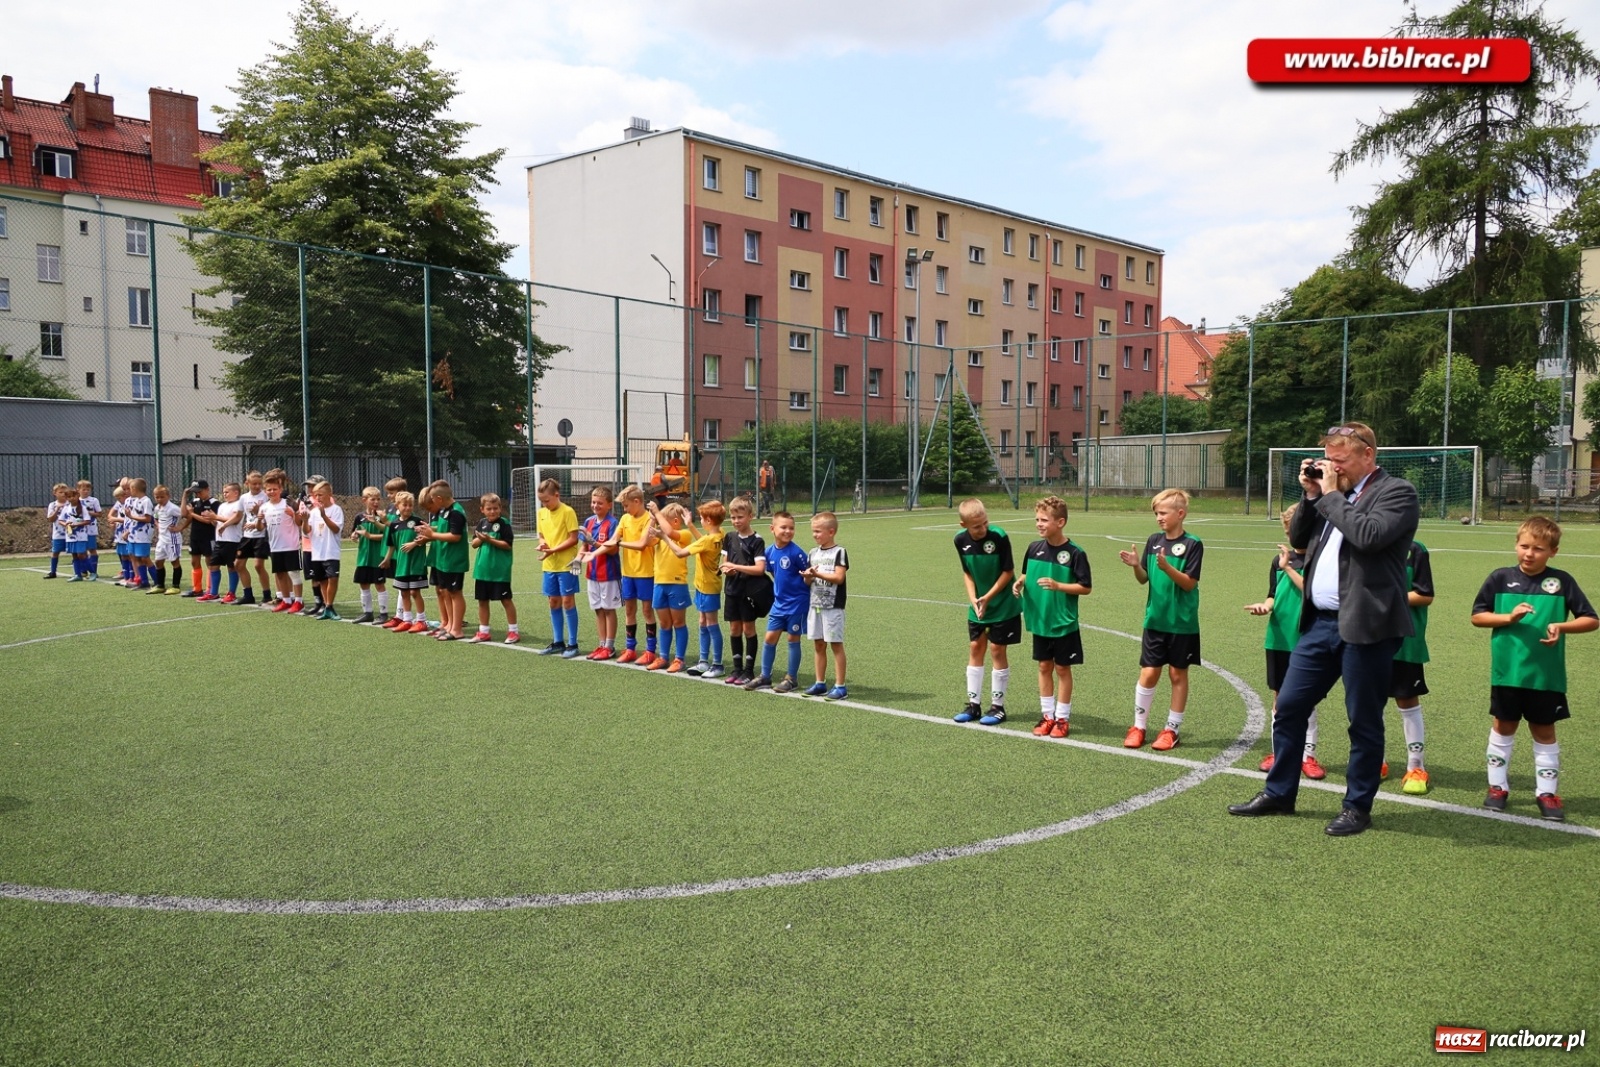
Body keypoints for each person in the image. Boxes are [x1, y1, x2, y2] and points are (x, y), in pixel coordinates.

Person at [1229, 422, 1419, 837]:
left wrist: (1330, 495)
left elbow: (1368, 536)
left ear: (1368, 455)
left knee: (1363, 720)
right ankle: (1280, 792)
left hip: (1366, 625)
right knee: (1290, 706)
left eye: (1340, 460)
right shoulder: (1333, 495)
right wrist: (1311, 494)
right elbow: (1298, 541)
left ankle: (1357, 806)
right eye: (1328, 460)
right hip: (1319, 623)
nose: (1332, 467)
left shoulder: (1397, 492)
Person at [1470, 516, 1597, 822]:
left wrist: (1562, 626)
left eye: (1538, 548)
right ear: (1516, 545)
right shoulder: (1499, 578)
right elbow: (1477, 616)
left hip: (1546, 676)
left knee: (1544, 730)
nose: (1529, 553)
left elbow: (1591, 619)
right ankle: (1497, 788)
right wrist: (1508, 618)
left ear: (1553, 551)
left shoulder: (1562, 582)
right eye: (1524, 546)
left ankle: (1547, 793)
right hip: (1508, 673)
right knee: (1504, 726)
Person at [1118, 488, 1202, 751]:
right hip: (1154, 621)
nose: (1158, 517)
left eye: (1163, 512)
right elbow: (1145, 579)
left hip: (1182, 623)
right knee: (1149, 672)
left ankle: (1171, 730)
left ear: (1180, 513)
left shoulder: (1193, 544)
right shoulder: (1154, 540)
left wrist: (1168, 568)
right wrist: (1136, 565)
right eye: (1156, 513)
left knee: (1177, 674)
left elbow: (1189, 584)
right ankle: (1139, 726)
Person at [1243, 508, 1324, 779]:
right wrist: (1264, 607)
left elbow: (1311, 592)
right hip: (1278, 639)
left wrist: (1287, 566)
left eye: (1298, 529)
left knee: (1307, 700)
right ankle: (1279, 751)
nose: (1293, 535)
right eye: (1289, 530)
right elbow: (1272, 596)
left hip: (1307, 639)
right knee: (1280, 698)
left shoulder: (1318, 559)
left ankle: (1308, 755)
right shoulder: (1277, 561)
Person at [1015, 496, 1092, 739]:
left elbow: (1085, 587)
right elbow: (1027, 573)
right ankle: (1047, 715)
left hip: (1063, 622)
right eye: (1037, 519)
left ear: (1060, 522)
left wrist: (1059, 585)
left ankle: (1062, 719)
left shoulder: (1075, 553)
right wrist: (1020, 582)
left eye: (1044, 520)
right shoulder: (1033, 548)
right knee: (1043, 666)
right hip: (1040, 620)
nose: (1039, 524)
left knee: (1062, 668)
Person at [953, 498, 1019, 726]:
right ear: (964, 526)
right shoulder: (960, 540)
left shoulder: (998, 536)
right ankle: (973, 705)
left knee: (997, 650)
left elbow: (1008, 572)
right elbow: (967, 573)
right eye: (977, 526)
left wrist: (988, 597)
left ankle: (997, 707)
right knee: (975, 646)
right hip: (979, 605)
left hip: (1002, 605)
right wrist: (973, 599)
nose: (983, 529)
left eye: (985, 523)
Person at [1387, 539, 1435, 795]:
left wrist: (1386, 599)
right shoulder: (1359, 543)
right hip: (1366, 638)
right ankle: (1376, 761)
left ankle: (1415, 766)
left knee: (1407, 699)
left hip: (1405, 640)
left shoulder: (1415, 549)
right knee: (1369, 701)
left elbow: (1425, 595)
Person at [745, 510, 810, 693]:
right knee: (770, 638)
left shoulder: (797, 553)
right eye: (783, 527)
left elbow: (808, 574)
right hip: (779, 604)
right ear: (772, 529)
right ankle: (765, 676)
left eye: (791, 528)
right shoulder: (769, 553)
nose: (788, 531)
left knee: (792, 638)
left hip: (797, 604)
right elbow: (772, 573)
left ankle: (791, 678)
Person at [719, 496, 770, 686]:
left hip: (748, 593)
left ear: (750, 516)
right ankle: (737, 669)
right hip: (732, 590)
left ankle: (749, 671)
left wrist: (736, 567)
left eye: (740, 517)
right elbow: (724, 564)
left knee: (748, 629)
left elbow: (759, 569)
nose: (736, 521)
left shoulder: (757, 541)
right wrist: (727, 569)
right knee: (734, 629)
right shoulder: (729, 538)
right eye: (732, 517)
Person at [800, 511, 849, 701]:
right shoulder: (813, 553)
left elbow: (838, 577)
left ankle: (840, 686)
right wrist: (807, 576)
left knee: (835, 644)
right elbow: (808, 583)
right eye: (813, 532)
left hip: (833, 606)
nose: (815, 535)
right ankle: (820, 683)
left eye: (818, 531)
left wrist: (818, 575)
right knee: (818, 644)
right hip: (815, 605)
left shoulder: (839, 552)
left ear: (831, 531)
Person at [535, 477, 582, 657]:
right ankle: (557, 642)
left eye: (547, 500)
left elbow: (573, 538)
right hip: (549, 565)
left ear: (557, 495)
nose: (544, 504)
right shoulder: (541, 513)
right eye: (542, 501)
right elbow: (541, 535)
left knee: (568, 601)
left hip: (567, 564)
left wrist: (553, 549)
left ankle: (572, 643)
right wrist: (543, 544)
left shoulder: (568, 511)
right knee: (553, 601)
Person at [611, 485, 659, 664]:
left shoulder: (650, 519)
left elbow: (641, 544)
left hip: (646, 573)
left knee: (647, 611)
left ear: (637, 502)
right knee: (629, 610)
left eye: (626, 505)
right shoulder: (624, 519)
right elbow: (613, 540)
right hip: (628, 573)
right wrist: (593, 547)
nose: (625, 510)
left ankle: (650, 650)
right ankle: (630, 648)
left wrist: (620, 543)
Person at [644, 499, 693, 672]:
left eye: (664, 520)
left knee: (678, 622)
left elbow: (670, 533)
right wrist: (652, 519)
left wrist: (657, 512)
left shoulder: (684, 535)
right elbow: (646, 542)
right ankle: (663, 657)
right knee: (664, 624)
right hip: (659, 584)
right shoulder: (660, 537)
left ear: (675, 521)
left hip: (677, 584)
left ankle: (679, 659)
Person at [683, 499, 728, 678]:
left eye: (701, 518)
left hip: (708, 587)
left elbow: (681, 552)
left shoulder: (710, 540)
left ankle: (717, 664)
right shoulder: (719, 533)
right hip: (704, 585)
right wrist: (689, 525)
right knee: (703, 621)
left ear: (708, 520)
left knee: (711, 623)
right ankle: (703, 661)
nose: (699, 521)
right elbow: (703, 541)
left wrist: (663, 537)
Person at [420, 480, 469, 639]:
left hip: (454, 560)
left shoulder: (456, 512)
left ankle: (457, 630)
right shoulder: (444, 511)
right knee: (447, 591)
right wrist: (427, 530)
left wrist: (432, 535)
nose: (432, 502)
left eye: (433, 499)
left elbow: (455, 536)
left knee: (455, 593)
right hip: (443, 559)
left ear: (439, 498)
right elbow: (442, 529)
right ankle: (449, 625)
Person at [577, 485, 621, 660]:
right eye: (593, 502)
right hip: (592, 574)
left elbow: (612, 550)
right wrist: (577, 560)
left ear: (609, 505)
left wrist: (593, 542)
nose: (596, 505)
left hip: (609, 574)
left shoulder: (613, 523)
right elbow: (584, 546)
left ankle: (610, 646)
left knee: (609, 609)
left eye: (600, 503)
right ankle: (601, 644)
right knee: (598, 609)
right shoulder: (588, 522)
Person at [469, 492, 519, 643]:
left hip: (499, 572)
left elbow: (507, 545)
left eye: (495, 508)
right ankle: (484, 631)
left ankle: (513, 631)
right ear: (482, 509)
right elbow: (474, 544)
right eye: (489, 509)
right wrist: (481, 538)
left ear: (500, 508)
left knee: (506, 600)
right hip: (483, 571)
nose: (492, 511)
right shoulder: (482, 523)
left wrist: (490, 540)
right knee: (482, 601)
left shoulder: (504, 524)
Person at [382, 491, 432, 633]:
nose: (408, 508)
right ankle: (407, 620)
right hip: (401, 565)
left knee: (415, 592)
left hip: (415, 564)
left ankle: (421, 620)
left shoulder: (417, 521)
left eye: (410, 505)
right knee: (404, 592)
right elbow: (392, 546)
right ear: (397, 505)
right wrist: (386, 559)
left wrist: (414, 544)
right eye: (405, 505)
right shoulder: (394, 525)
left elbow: (426, 536)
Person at [260, 473, 305, 613]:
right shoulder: (264, 507)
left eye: (274, 489)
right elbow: (260, 527)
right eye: (269, 490)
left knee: (294, 573)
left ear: (280, 490)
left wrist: (293, 514)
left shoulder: (287, 504)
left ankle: (298, 601)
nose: (272, 492)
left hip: (291, 545)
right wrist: (258, 519)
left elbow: (299, 523)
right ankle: (286, 600)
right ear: (265, 491)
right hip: (275, 546)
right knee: (280, 574)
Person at [302, 480, 344, 620]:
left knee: (332, 578)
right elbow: (307, 531)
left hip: (331, 551)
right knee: (322, 580)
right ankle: (327, 607)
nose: (318, 498)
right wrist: (304, 521)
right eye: (315, 495)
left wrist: (324, 516)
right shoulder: (313, 513)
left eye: (321, 495)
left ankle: (330, 606)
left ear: (329, 494)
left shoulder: (336, 510)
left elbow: (336, 529)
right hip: (317, 552)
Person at [349, 487, 391, 625]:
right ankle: (367, 613)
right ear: (364, 500)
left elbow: (387, 536)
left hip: (377, 557)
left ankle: (384, 614)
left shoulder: (382, 517)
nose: (376, 502)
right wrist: (354, 536)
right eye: (372, 499)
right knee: (364, 584)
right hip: (363, 558)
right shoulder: (359, 517)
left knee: (379, 584)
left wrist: (369, 536)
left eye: (378, 499)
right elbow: (355, 532)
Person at [235, 470, 269, 606]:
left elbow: (267, 517)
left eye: (259, 484)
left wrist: (257, 513)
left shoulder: (266, 497)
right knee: (238, 565)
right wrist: (223, 523)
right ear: (247, 483)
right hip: (247, 536)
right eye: (254, 484)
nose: (257, 486)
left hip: (261, 535)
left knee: (258, 565)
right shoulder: (243, 498)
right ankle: (248, 595)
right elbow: (238, 516)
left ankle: (267, 595)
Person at [205, 482, 244, 603]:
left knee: (231, 567)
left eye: (227, 492)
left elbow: (234, 520)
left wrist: (215, 517)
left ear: (236, 493)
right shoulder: (222, 506)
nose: (224, 494)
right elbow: (218, 522)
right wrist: (211, 519)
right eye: (224, 492)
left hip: (232, 541)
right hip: (220, 540)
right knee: (213, 566)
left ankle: (231, 593)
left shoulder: (238, 505)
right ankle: (213, 593)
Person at [181, 482, 219, 598]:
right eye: (196, 492)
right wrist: (184, 496)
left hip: (208, 536)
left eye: (200, 491)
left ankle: (210, 589)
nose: (198, 494)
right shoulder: (195, 502)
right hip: (195, 536)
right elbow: (183, 513)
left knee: (210, 562)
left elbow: (209, 520)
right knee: (194, 561)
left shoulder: (214, 503)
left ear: (207, 489)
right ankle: (197, 589)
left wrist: (192, 514)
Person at [148, 485, 185, 594]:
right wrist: (158, 525)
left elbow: (187, 515)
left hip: (172, 539)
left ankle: (176, 586)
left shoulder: (173, 508)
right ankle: (160, 585)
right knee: (158, 561)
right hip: (162, 539)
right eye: (157, 497)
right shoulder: (157, 508)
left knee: (174, 561)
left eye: (162, 497)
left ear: (168, 496)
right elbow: (155, 518)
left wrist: (180, 527)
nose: (159, 499)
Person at [76, 480, 103, 579]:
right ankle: (83, 570)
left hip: (90, 529)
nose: (86, 491)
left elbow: (99, 514)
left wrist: (89, 513)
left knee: (92, 549)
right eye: (83, 489)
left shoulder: (94, 500)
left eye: (88, 489)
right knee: (81, 551)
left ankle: (94, 570)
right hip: (79, 530)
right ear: (78, 490)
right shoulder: (75, 501)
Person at [44, 484, 70, 579]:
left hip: (71, 533)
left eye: (65, 492)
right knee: (55, 552)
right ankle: (53, 571)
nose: (63, 494)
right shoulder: (53, 505)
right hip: (58, 534)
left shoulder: (71, 504)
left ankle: (81, 570)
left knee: (76, 552)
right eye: (60, 492)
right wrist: (57, 509)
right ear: (55, 493)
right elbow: (50, 519)